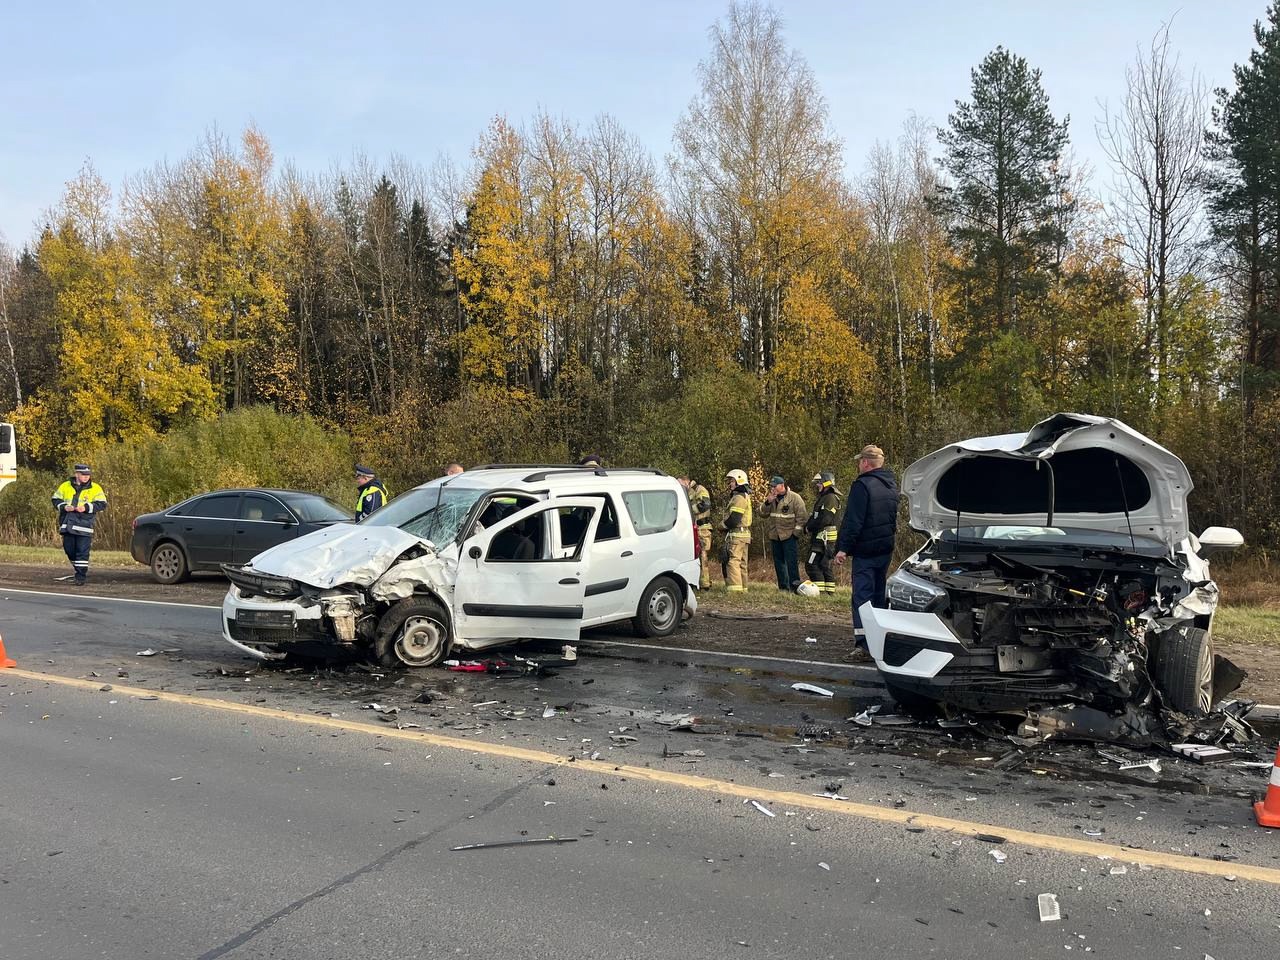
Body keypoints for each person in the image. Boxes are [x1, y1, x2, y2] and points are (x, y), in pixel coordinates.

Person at [834, 445, 899, 655]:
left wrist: (843, 548)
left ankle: (863, 644)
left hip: (866, 551)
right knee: (879, 595)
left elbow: (854, 520)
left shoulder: (862, 486)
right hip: (885, 549)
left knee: (862, 597)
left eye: (859, 461)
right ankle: (881, 641)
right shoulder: (890, 485)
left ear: (865, 462)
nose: (858, 465)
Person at [51, 463, 107, 585]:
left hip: (84, 526)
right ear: (76, 474)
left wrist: (86, 507)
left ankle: (80, 576)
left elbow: (102, 504)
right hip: (67, 525)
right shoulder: (65, 486)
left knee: (82, 551)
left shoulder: (95, 488)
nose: (86, 477)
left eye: (88, 475)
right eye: (83, 474)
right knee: (69, 549)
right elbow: (55, 499)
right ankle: (78, 570)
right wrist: (64, 507)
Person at [759, 475, 806, 591]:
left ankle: (794, 587)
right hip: (775, 536)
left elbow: (802, 517)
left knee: (791, 563)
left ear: (782, 485)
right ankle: (783, 587)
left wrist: (796, 533)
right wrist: (767, 502)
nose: (772, 489)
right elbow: (762, 514)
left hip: (789, 536)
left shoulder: (795, 498)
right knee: (779, 563)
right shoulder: (771, 499)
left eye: (775, 486)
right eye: (771, 487)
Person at [805, 471, 843, 594]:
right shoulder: (824, 498)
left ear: (826, 483)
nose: (817, 485)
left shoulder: (830, 498)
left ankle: (821, 592)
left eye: (819, 483)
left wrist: (810, 527)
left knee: (812, 564)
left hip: (824, 540)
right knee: (823, 566)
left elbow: (825, 519)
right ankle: (827, 593)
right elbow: (816, 516)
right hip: (821, 539)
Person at [678, 475, 713, 589]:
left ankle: (705, 584)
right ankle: (695, 583)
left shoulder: (699, 489)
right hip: (692, 528)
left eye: (681, 483)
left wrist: (689, 510)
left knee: (702, 555)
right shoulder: (687, 492)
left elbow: (705, 505)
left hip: (702, 528)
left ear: (686, 481)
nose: (680, 486)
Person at [721, 468, 753, 592]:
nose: (730, 484)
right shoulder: (745, 496)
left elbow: (734, 519)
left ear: (739, 481)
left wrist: (722, 525)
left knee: (733, 561)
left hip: (737, 535)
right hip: (744, 535)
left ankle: (735, 591)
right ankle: (743, 588)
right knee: (742, 563)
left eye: (732, 481)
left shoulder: (739, 498)